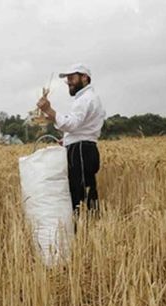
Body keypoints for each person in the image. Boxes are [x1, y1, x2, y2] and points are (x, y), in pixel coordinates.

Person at [37, 63, 106, 213]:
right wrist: (67, 139)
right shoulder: (87, 98)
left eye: (72, 78)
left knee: (79, 195)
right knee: (86, 193)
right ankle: (90, 228)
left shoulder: (85, 99)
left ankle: (83, 230)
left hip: (81, 150)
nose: (69, 82)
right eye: (67, 79)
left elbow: (73, 124)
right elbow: (81, 126)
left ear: (85, 78)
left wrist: (50, 110)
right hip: (83, 148)